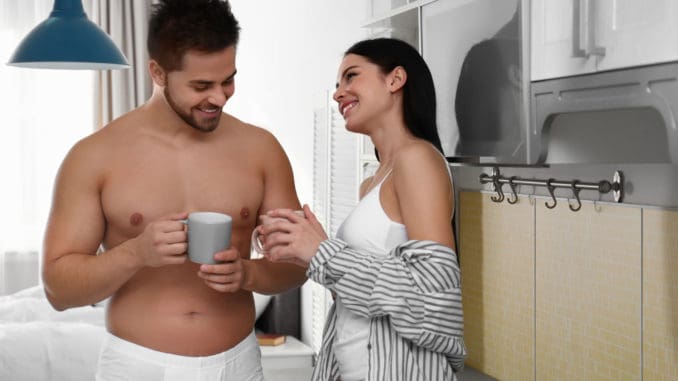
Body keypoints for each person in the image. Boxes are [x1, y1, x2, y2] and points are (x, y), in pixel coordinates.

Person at [41, 0, 306, 380]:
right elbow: (58, 289)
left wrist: (248, 274)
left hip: (238, 364)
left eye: (228, 79)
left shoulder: (261, 150)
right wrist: (136, 252)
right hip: (137, 366)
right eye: (201, 85)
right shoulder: (94, 156)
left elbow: (297, 267)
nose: (219, 97)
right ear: (158, 73)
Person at [258, 38, 467, 381]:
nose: (338, 94)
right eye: (337, 84)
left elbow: (434, 300)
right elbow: (368, 295)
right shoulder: (372, 181)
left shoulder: (417, 160)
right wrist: (305, 253)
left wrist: (324, 252)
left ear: (395, 79)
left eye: (351, 76)